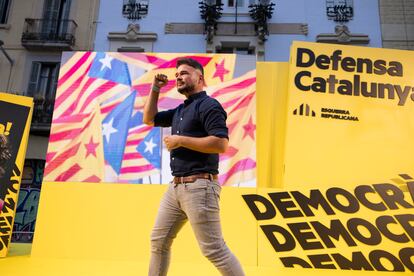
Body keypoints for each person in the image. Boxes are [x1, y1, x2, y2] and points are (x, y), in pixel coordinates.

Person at [144, 58, 245, 276]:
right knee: (158, 242)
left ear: (200, 78)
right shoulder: (181, 109)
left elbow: (221, 143)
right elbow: (149, 119)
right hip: (176, 188)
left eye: (185, 73)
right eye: (177, 74)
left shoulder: (209, 105)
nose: (179, 77)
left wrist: (181, 140)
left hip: (200, 186)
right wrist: (155, 89)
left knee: (214, 250)